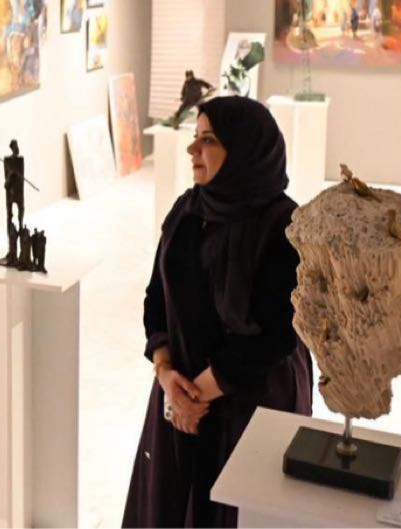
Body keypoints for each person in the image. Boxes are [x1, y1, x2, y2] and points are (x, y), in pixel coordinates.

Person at [123, 97, 313, 528]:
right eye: (195, 138)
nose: (192, 149)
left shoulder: (284, 226)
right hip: (180, 397)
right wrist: (166, 374)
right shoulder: (187, 212)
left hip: (252, 405)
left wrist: (194, 396)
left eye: (208, 140)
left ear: (245, 150)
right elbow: (156, 299)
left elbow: (277, 336)